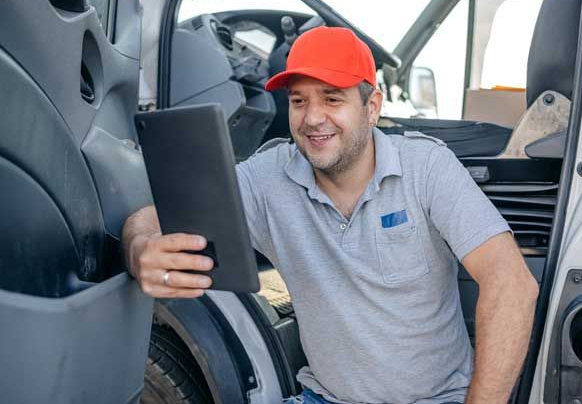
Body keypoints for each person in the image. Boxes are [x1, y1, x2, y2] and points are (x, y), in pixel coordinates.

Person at [122, 26, 539, 404]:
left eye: (332, 98)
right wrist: (140, 247)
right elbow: (152, 216)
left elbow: (512, 286)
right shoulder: (267, 178)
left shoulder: (426, 167)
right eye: (299, 101)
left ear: (372, 106)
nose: (313, 118)